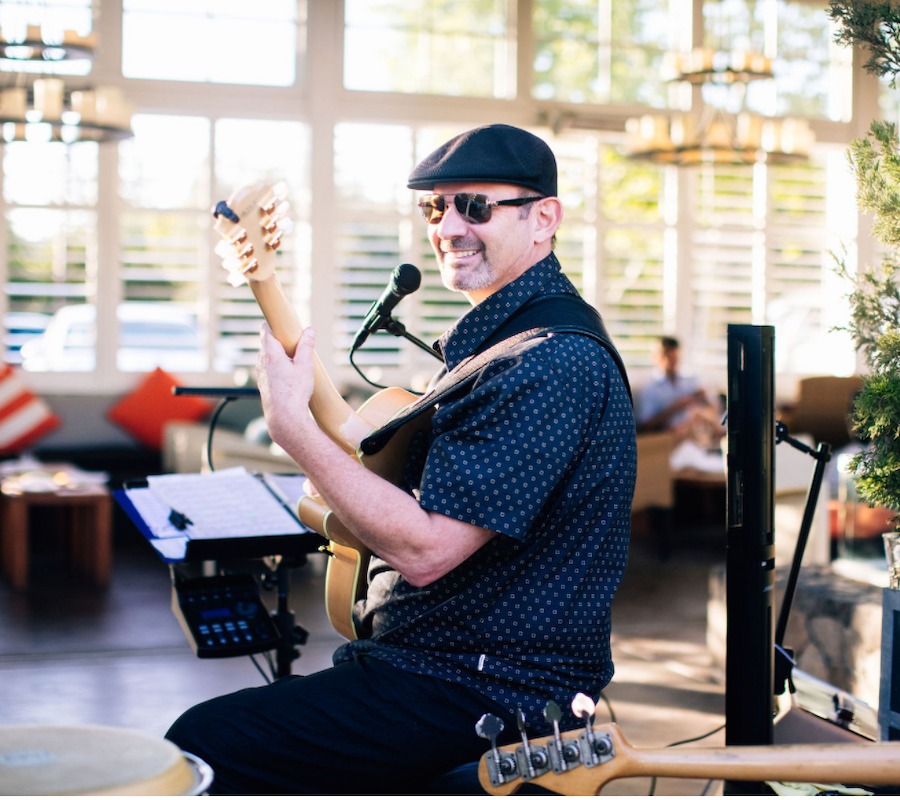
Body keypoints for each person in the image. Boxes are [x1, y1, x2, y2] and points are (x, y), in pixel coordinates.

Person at [165, 123, 636, 795]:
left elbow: (427, 550)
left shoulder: (547, 361)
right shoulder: (501, 345)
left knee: (202, 746)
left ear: (544, 219)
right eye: (434, 207)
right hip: (439, 663)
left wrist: (293, 432)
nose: (448, 226)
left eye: (474, 206)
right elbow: (378, 462)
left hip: (489, 686)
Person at [638, 335, 722, 448]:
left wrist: (703, 397)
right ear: (656, 358)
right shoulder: (650, 389)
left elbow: (713, 406)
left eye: (675, 357)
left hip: (695, 430)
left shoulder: (690, 381)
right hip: (671, 435)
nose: (673, 361)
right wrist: (675, 408)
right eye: (668, 357)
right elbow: (646, 425)